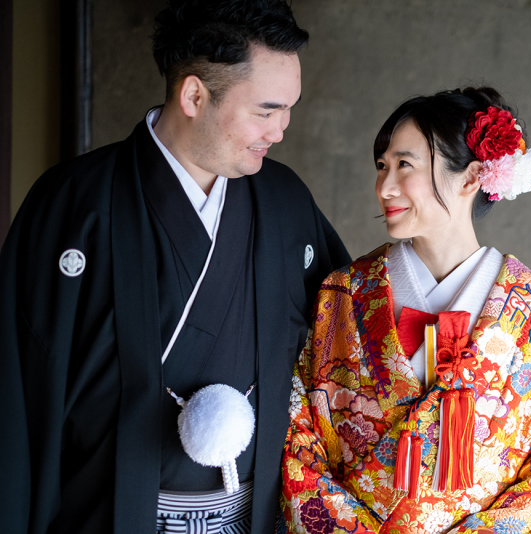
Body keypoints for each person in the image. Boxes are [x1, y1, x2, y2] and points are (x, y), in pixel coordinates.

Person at [0, 1, 350, 533]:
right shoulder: (74, 205)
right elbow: (16, 393)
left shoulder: (285, 203)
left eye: (288, 110)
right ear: (193, 94)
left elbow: (347, 344)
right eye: (265, 110)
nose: (279, 130)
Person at [280, 87, 531, 533]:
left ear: (469, 178)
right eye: (382, 166)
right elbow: (298, 430)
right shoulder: (345, 294)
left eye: (404, 165)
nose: (384, 187)